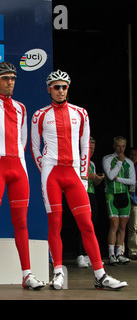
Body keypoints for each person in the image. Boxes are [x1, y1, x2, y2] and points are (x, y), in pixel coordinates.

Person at [31, 69, 127, 289]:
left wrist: (83, 176)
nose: (61, 90)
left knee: (87, 224)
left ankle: (100, 275)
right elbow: (35, 148)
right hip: (52, 173)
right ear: (49, 89)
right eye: (56, 87)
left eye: (64, 87)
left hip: (74, 173)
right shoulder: (39, 115)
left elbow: (85, 146)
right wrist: (45, 170)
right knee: (55, 224)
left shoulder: (80, 113)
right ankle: (57, 272)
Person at [0, 21, 44, 291]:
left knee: (21, 223)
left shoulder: (22, 107)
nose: (10, 82)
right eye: (5, 79)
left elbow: (24, 141)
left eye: (13, 78)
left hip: (19, 167)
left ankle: (27, 274)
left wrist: (18, 160)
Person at [103, 136, 135, 265]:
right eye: (118, 146)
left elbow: (133, 181)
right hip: (112, 194)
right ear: (114, 146)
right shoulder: (107, 159)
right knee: (114, 224)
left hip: (124, 195)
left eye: (123, 146)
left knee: (123, 226)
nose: (120, 149)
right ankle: (111, 254)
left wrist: (118, 179)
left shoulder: (129, 162)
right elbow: (110, 176)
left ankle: (119, 253)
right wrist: (119, 162)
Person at [77, 137, 104, 268]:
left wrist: (98, 179)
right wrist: (89, 176)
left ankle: (88, 255)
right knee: (82, 224)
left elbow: (95, 183)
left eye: (93, 149)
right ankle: (80, 255)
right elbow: (76, 176)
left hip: (91, 194)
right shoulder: (77, 160)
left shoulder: (91, 163)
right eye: (90, 148)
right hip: (80, 194)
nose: (92, 151)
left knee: (92, 223)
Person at [127, 147, 137, 259]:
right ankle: (120, 251)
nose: (133, 157)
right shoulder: (127, 166)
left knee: (133, 227)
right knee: (121, 226)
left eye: (136, 155)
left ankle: (133, 251)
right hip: (125, 198)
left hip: (135, 201)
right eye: (132, 155)